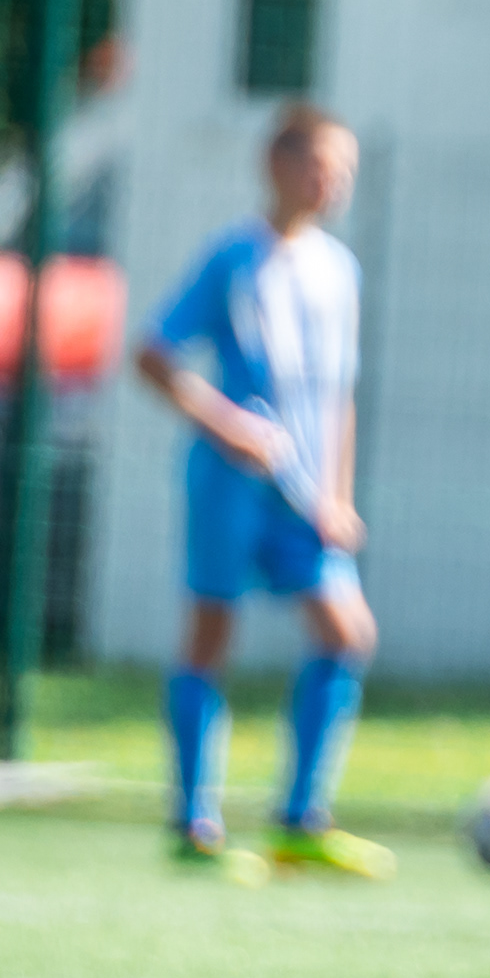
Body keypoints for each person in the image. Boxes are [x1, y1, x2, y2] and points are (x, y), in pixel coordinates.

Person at [133, 102, 387, 880]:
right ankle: (194, 822)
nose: (333, 182)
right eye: (321, 165)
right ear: (276, 164)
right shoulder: (234, 258)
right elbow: (154, 354)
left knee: (347, 633)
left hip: (306, 494)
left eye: (344, 170)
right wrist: (226, 423)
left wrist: (339, 494)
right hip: (232, 483)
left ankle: (300, 819)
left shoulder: (340, 270)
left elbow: (339, 396)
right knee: (212, 634)